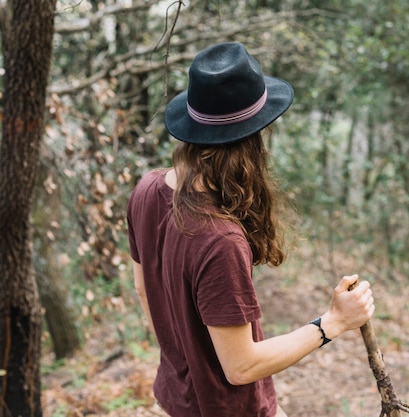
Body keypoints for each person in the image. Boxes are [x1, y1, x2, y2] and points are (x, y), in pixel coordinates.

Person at [126, 42, 375, 417]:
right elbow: (241, 367)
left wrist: (186, 361)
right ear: (251, 140)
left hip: (174, 402)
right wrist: (333, 323)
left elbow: (144, 291)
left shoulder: (147, 190)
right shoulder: (219, 239)